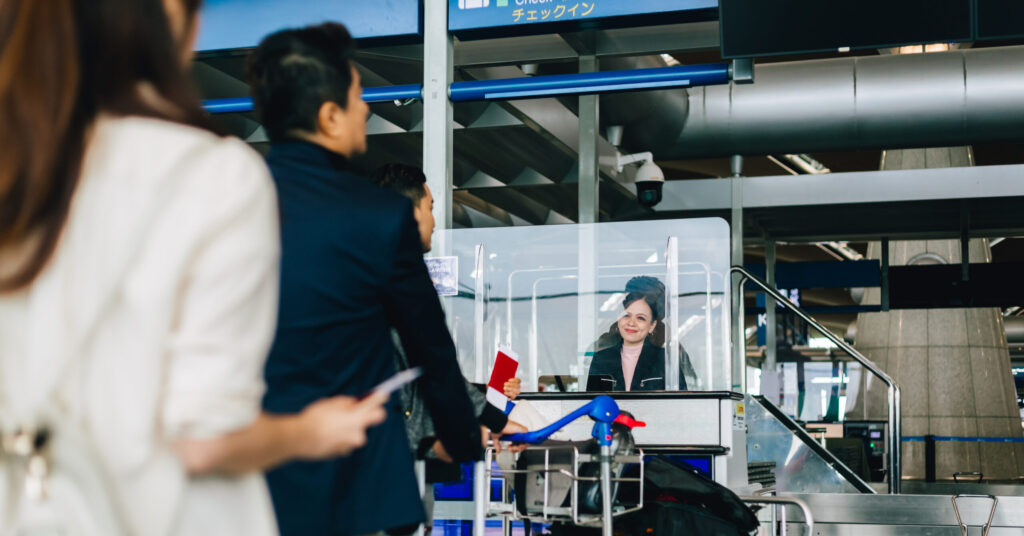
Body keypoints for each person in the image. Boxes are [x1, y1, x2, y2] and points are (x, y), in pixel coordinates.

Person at [0, 1, 386, 535]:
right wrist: (308, 432)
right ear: (165, 18)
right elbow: (203, 440)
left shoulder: (18, 167)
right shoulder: (213, 176)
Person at [248, 24, 483, 536]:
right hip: (358, 482)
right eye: (358, 97)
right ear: (329, 116)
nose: (367, 110)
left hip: (253, 474)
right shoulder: (377, 216)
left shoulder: (230, 207)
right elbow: (430, 348)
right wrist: (464, 439)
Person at [586, 276, 690, 392]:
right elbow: (592, 402)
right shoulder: (601, 358)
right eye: (626, 315)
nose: (631, 323)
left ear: (652, 325)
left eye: (641, 318)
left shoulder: (665, 360)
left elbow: (682, 403)